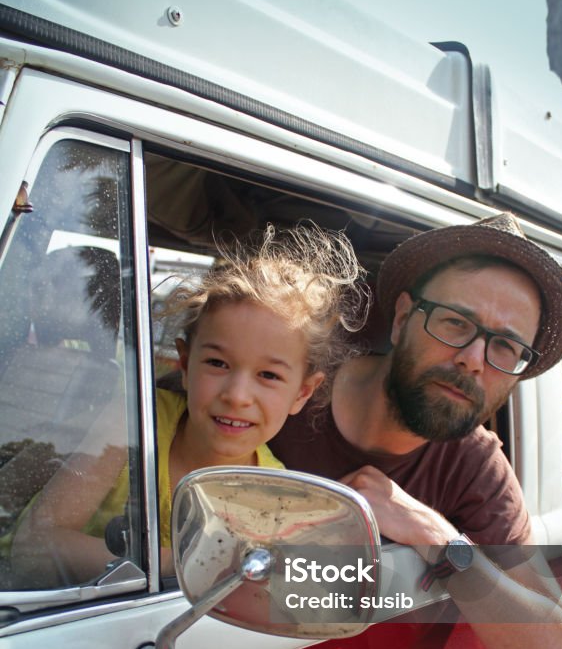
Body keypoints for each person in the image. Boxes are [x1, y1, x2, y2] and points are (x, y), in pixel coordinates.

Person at [270, 212, 562, 649]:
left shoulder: (475, 466)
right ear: (400, 319)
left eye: (505, 346)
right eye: (456, 323)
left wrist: (437, 537)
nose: (473, 360)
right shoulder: (285, 386)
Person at [12, 224, 368, 586]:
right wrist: (193, 562)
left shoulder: (278, 498)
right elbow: (33, 548)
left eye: (269, 376)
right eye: (217, 363)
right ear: (184, 364)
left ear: (302, 393)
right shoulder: (136, 423)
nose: (237, 395)